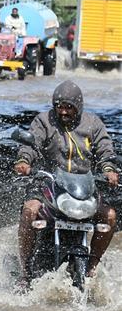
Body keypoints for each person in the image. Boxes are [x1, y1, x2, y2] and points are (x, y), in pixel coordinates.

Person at [14, 80, 119, 284]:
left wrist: (109, 170)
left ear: (78, 106)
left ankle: (92, 265)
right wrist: (24, 161)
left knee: (110, 216)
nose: (63, 111)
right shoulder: (44, 121)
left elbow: (105, 149)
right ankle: (25, 271)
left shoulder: (93, 123)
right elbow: (31, 144)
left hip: (83, 188)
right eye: (59, 106)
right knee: (30, 210)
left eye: (69, 107)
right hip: (48, 184)